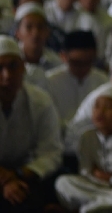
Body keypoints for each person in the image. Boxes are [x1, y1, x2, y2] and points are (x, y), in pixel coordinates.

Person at [0, 35, 63, 212]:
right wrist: (5, 180)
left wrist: (19, 175)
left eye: (13, 66)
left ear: (23, 68)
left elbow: (51, 151)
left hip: (25, 174)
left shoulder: (40, 101)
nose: (7, 76)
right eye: (0, 68)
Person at [46, 30, 108, 133]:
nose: (83, 68)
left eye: (88, 62)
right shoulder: (51, 81)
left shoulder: (103, 81)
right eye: (76, 63)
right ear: (63, 56)